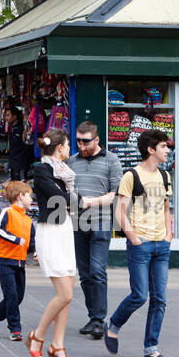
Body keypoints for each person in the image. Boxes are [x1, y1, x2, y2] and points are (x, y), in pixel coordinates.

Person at [105, 129, 175, 357]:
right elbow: (119, 211)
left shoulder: (165, 176)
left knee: (160, 299)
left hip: (161, 246)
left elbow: (166, 209)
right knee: (139, 295)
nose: (168, 150)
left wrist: (169, 235)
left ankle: (151, 348)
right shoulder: (131, 176)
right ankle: (113, 324)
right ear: (150, 149)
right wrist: (134, 237)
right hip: (141, 244)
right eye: (164, 146)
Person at [26, 128, 78, 357]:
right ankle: (37, 335)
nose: (70, 149)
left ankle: (57, 345)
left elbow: (70, 202)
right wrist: (85, 201)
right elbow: (62, 200)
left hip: (65, 229)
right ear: (59, 148)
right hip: (51, 231)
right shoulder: (42, 169)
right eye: (67, 145)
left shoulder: (65, 172)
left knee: (68, 294)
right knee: (64, 294)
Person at [69, 120, 123, 339]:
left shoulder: (112, 160)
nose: (82, 146)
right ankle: (93, 317)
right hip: (77, 223)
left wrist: (92, 201)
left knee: (97, 270)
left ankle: (99, 320)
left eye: (86, 141)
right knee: (84, 273)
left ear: (97, 139)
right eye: (78, 141)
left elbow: (116, 193)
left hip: (101, 221)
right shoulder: (72, 161)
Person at [0, 180, 35, 342]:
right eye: (29, 196)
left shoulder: (28, 219)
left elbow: (31, 239)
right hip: (5, 260)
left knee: (18, 296)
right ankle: (15, 329)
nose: (31, 200)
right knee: (12, 295)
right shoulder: (8, 212)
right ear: (20, 196)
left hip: (20, 262)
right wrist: (15, 239)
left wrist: (35, 251)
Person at [5, 105, 28, 181]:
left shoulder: (21, 128)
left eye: (8, 115)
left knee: (19, 185)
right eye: (5, 115)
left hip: (20, 163)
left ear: (14, 116)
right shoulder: (11, 128)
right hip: (13, 161)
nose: (6, 118)